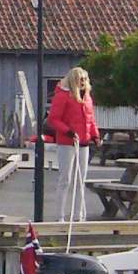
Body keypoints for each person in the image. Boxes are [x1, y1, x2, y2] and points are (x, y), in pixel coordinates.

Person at [46, 68, 100, 225]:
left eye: (84, 79)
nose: (82, 82)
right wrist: (68, 131)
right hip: (67, 143)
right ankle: (60, 215)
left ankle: (78, 215)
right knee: (66, 179)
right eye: (79, 79)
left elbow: (90, 119)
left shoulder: (87, 97)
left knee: (81, 180)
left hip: (83, 143)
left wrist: (95, 135)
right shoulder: (62, 96)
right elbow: (53, 119)